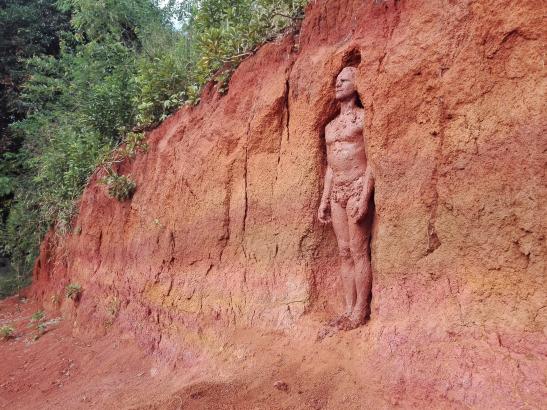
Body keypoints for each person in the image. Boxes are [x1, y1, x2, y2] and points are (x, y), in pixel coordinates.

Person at [318, 66, 374, 330]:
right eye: (336, 81)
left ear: (356, 85)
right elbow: (330, 165)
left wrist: (364, 198)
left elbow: (372, 160)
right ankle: (348, 309)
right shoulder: (329, 127)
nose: (338, 84)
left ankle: (360, 313)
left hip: (357, 186)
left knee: (358, 251)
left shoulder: (364, 119)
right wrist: (324, 199)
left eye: (345, 80)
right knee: (344, 252)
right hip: (338, 192)